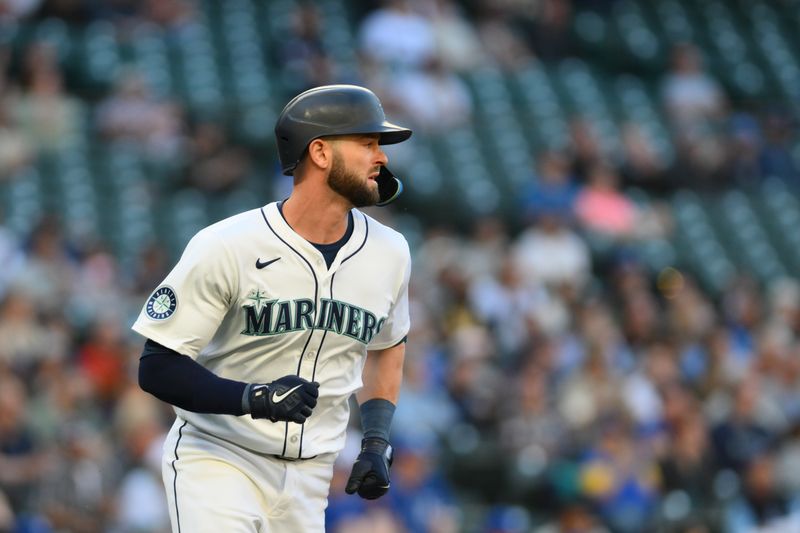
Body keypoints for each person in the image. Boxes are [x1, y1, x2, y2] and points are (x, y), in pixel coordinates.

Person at [131, 84, 413, 532]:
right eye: (367, 143)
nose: (381, 157)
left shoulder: (390, 252)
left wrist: (376, 442)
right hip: (221, 457)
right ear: (320, 152)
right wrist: (252, 397)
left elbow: (386, 347)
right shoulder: (227, 245)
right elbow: (158, 366)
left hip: (311, 476)